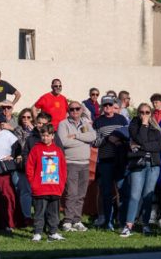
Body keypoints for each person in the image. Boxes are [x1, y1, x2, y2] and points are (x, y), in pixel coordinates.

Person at [122, 104, 161, 236]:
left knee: (147, 196)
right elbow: (140, 138)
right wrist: (144, 125)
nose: (144, 114)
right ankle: (129, 225)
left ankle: (145, 224)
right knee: (134, 195)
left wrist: (142, 146)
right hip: (139, 164)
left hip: (153, 165)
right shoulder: (134, 125)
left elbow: (158, 146)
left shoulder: (156, 128)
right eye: (142, 112)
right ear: (138, 113)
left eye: (147, 112)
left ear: (151, 113)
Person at [56, 101, 96, 231]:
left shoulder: (85, 123)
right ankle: (67, 220)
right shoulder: (63, 124)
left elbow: (93, 136)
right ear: (68, 111)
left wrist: (76, 136)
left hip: (85, 163)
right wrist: (83, 141)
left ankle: (77, 220)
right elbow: (63, 141)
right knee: (71, 193)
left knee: (81, 194)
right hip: (70, 163)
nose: (75, 111)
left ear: (81, 110)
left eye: (77, 108)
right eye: (72, 109)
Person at [92, 100, 129, 230]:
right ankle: (108, 222)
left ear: (114, 106)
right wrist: (107, 139)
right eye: (105, 105)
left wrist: (119, 140)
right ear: (102, 107)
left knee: (122, 191)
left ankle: (122, 221)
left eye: (110, 105)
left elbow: (128, 136)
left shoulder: (122, 119)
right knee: (106, 193)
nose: (107, 107)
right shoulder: (98, 121)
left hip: (120, 160)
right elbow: (94, 142)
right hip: (105, 161)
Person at [26, 125, 67, 242]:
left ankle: (53, 232)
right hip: (40, 188)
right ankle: (37, 232)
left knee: (54, 213)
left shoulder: (58, 151)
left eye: (48, 135)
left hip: (55, 188)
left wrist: (61, 185)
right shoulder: (36, 149)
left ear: (52, 136)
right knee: (39, 212)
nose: (45, 138)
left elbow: (63, 169)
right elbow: (29, 167)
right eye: (43, 135)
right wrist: (33, 183)